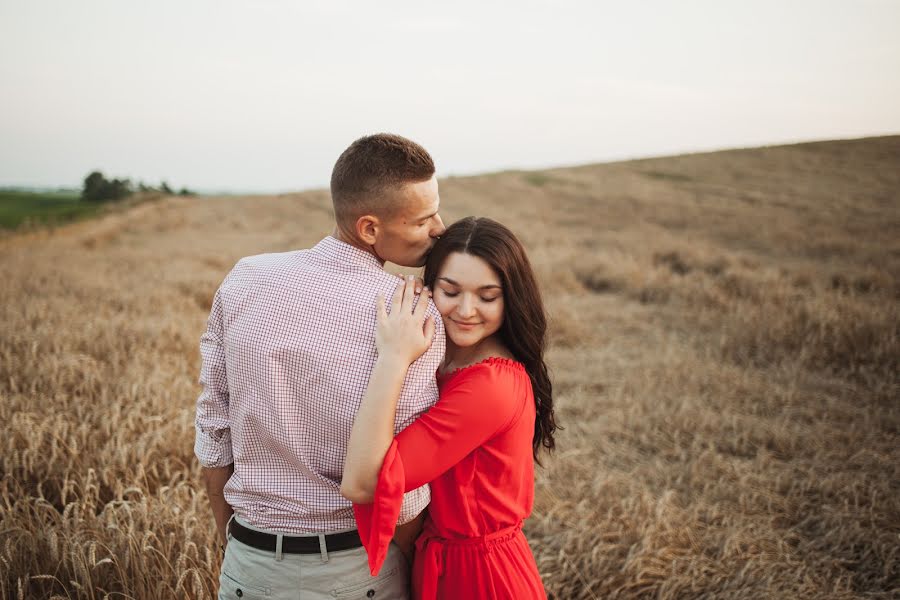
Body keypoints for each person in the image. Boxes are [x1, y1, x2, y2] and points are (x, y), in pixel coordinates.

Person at [194, 133, 447, 599]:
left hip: (248, 565)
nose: (439, 228)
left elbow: (214, 431)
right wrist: (405, 565)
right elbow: (401, 482)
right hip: (358, 571)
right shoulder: (410, 314)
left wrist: (229, 541)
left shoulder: (246, 277)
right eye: (423, 218)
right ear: (369, 228)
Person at [341, 216, 558, 599]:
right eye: (451, 291)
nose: (466, 310)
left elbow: (363, 482)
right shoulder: (441, 362)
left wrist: (392, 358)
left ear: (511, 299)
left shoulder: (491, 386)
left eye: (487, 296)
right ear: (428, 288)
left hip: (481, 577)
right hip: (440, 563)